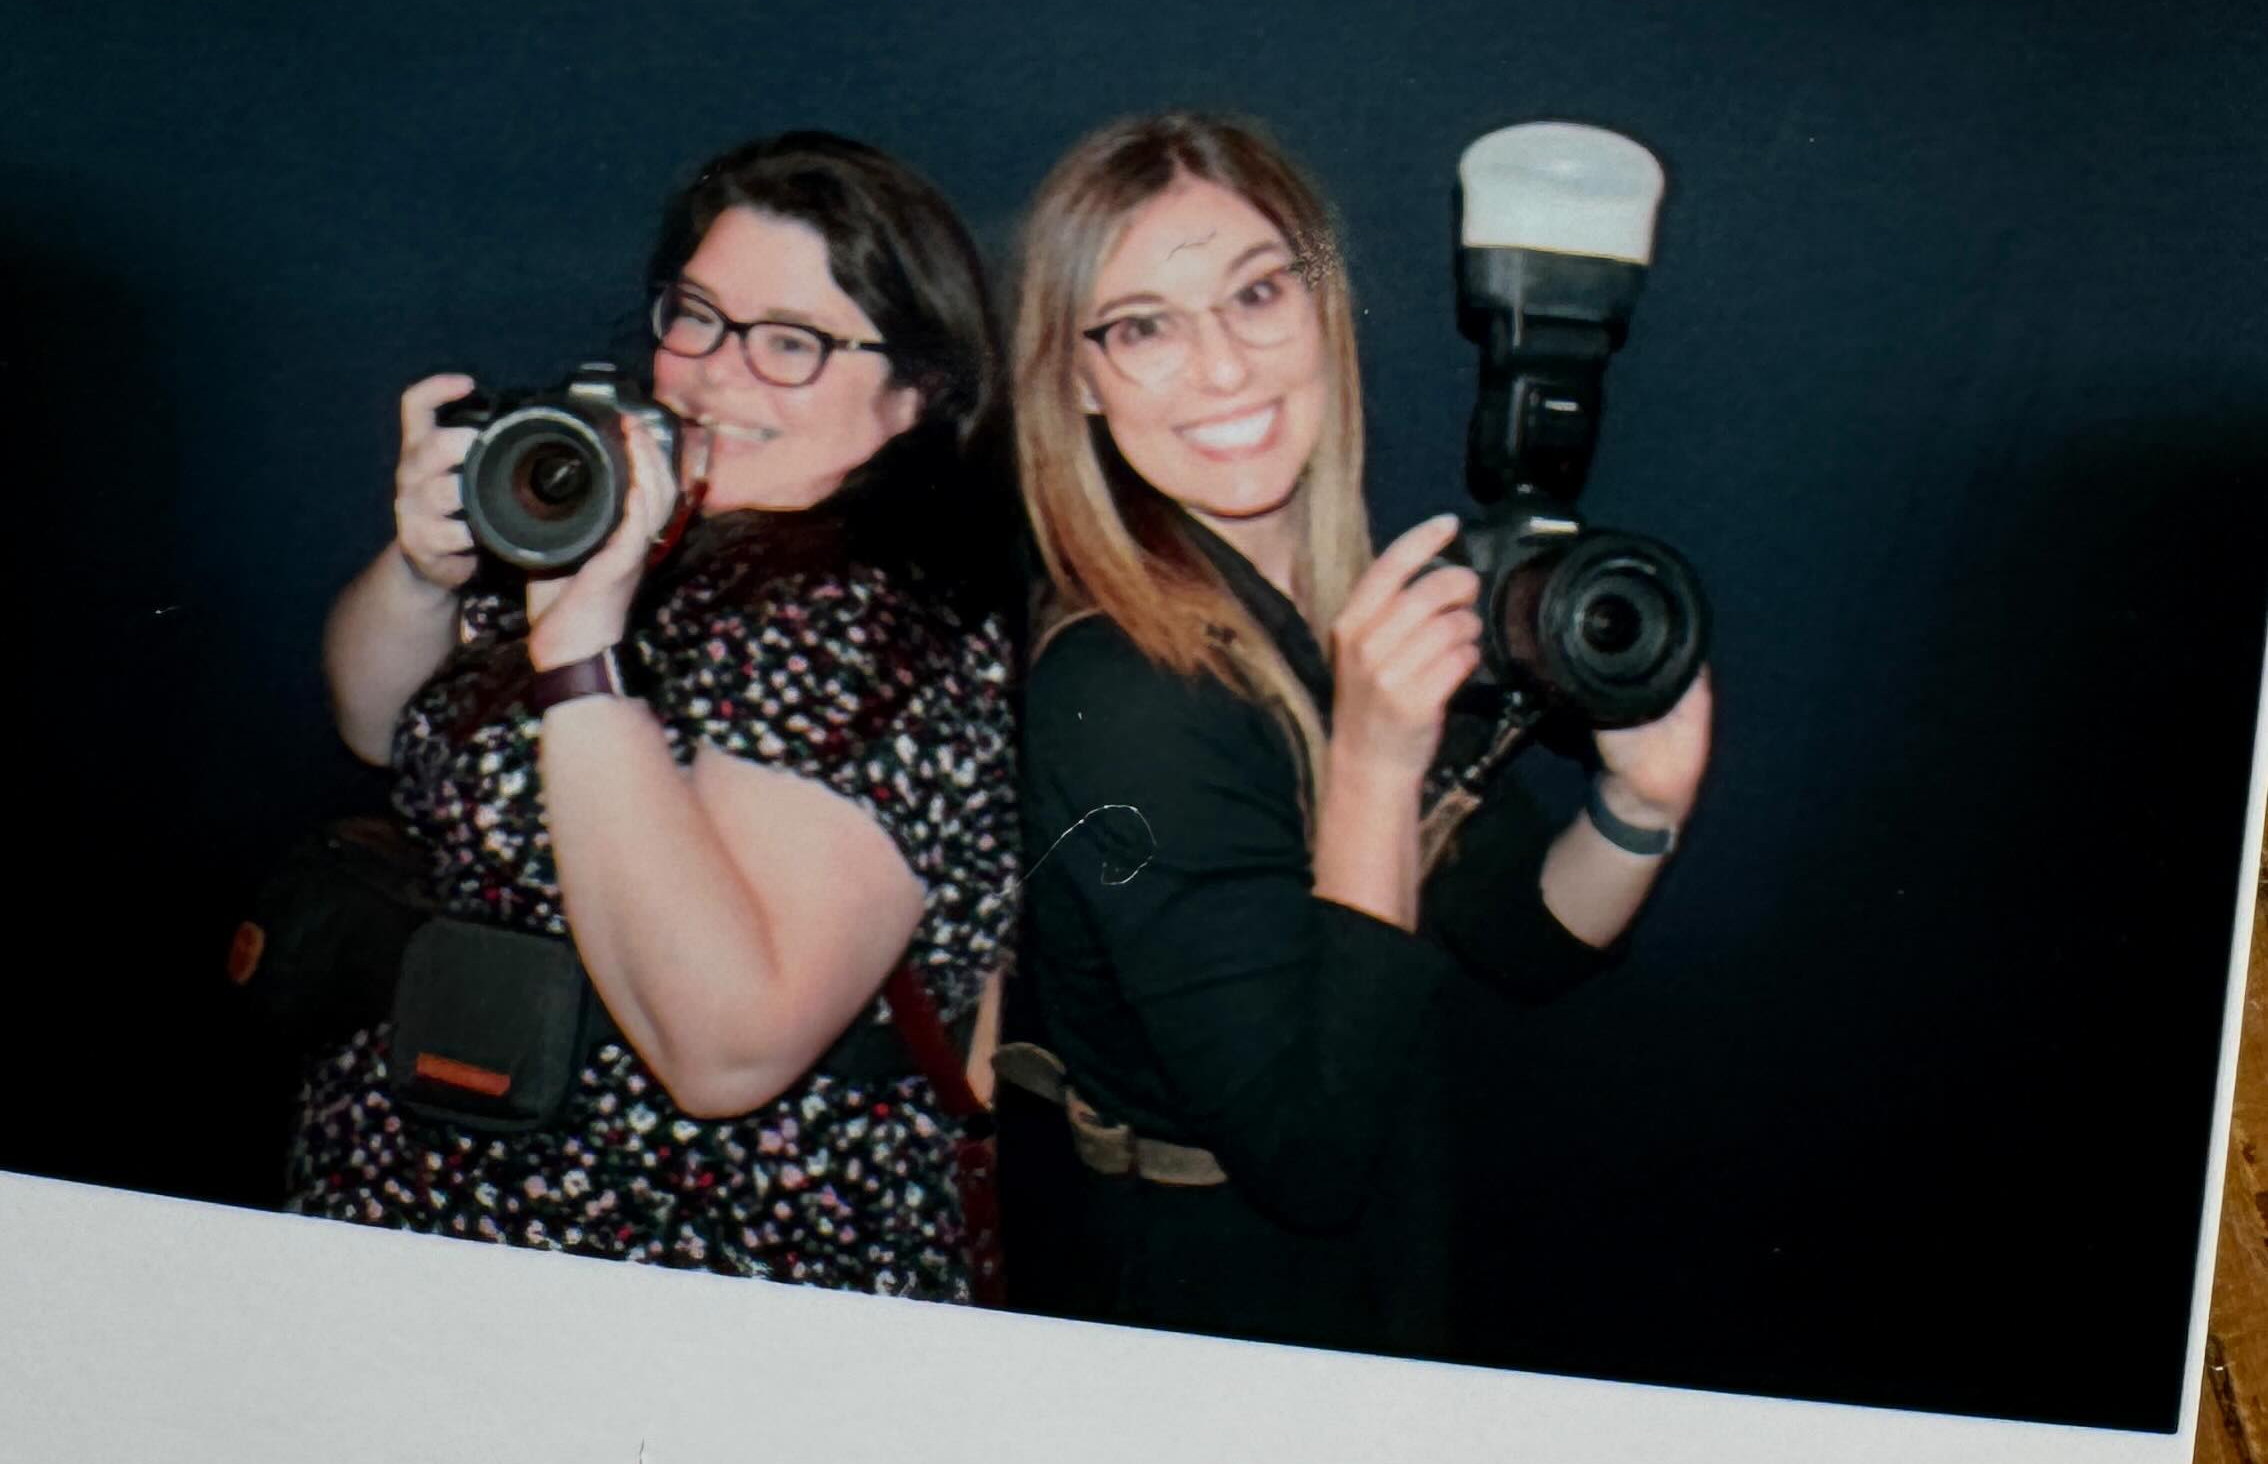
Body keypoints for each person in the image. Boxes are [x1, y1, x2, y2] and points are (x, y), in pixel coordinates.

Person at [1005, 111, 1711, 1356]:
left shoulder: (1333, 610)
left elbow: (1526, 938)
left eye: (1259, 293)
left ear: (1324, 309)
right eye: (1143, 327)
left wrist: (1643, 803)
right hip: (1207, 1313)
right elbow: (1306, 1151)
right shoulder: (1117, 699)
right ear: (1077, 381)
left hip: (1368, 1273)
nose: (1223, 369)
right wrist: (1375, 768)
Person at [290, 133, 1021, 1295]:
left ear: (915, 394)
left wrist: (580, 651)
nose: (719, 373)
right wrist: (423, 571)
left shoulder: (886, 628)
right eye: (699, 317)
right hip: (431, 1219)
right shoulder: (650, 520)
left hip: (673, 1274)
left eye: (793, 343)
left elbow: (725, 1048)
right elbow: (373, 723)